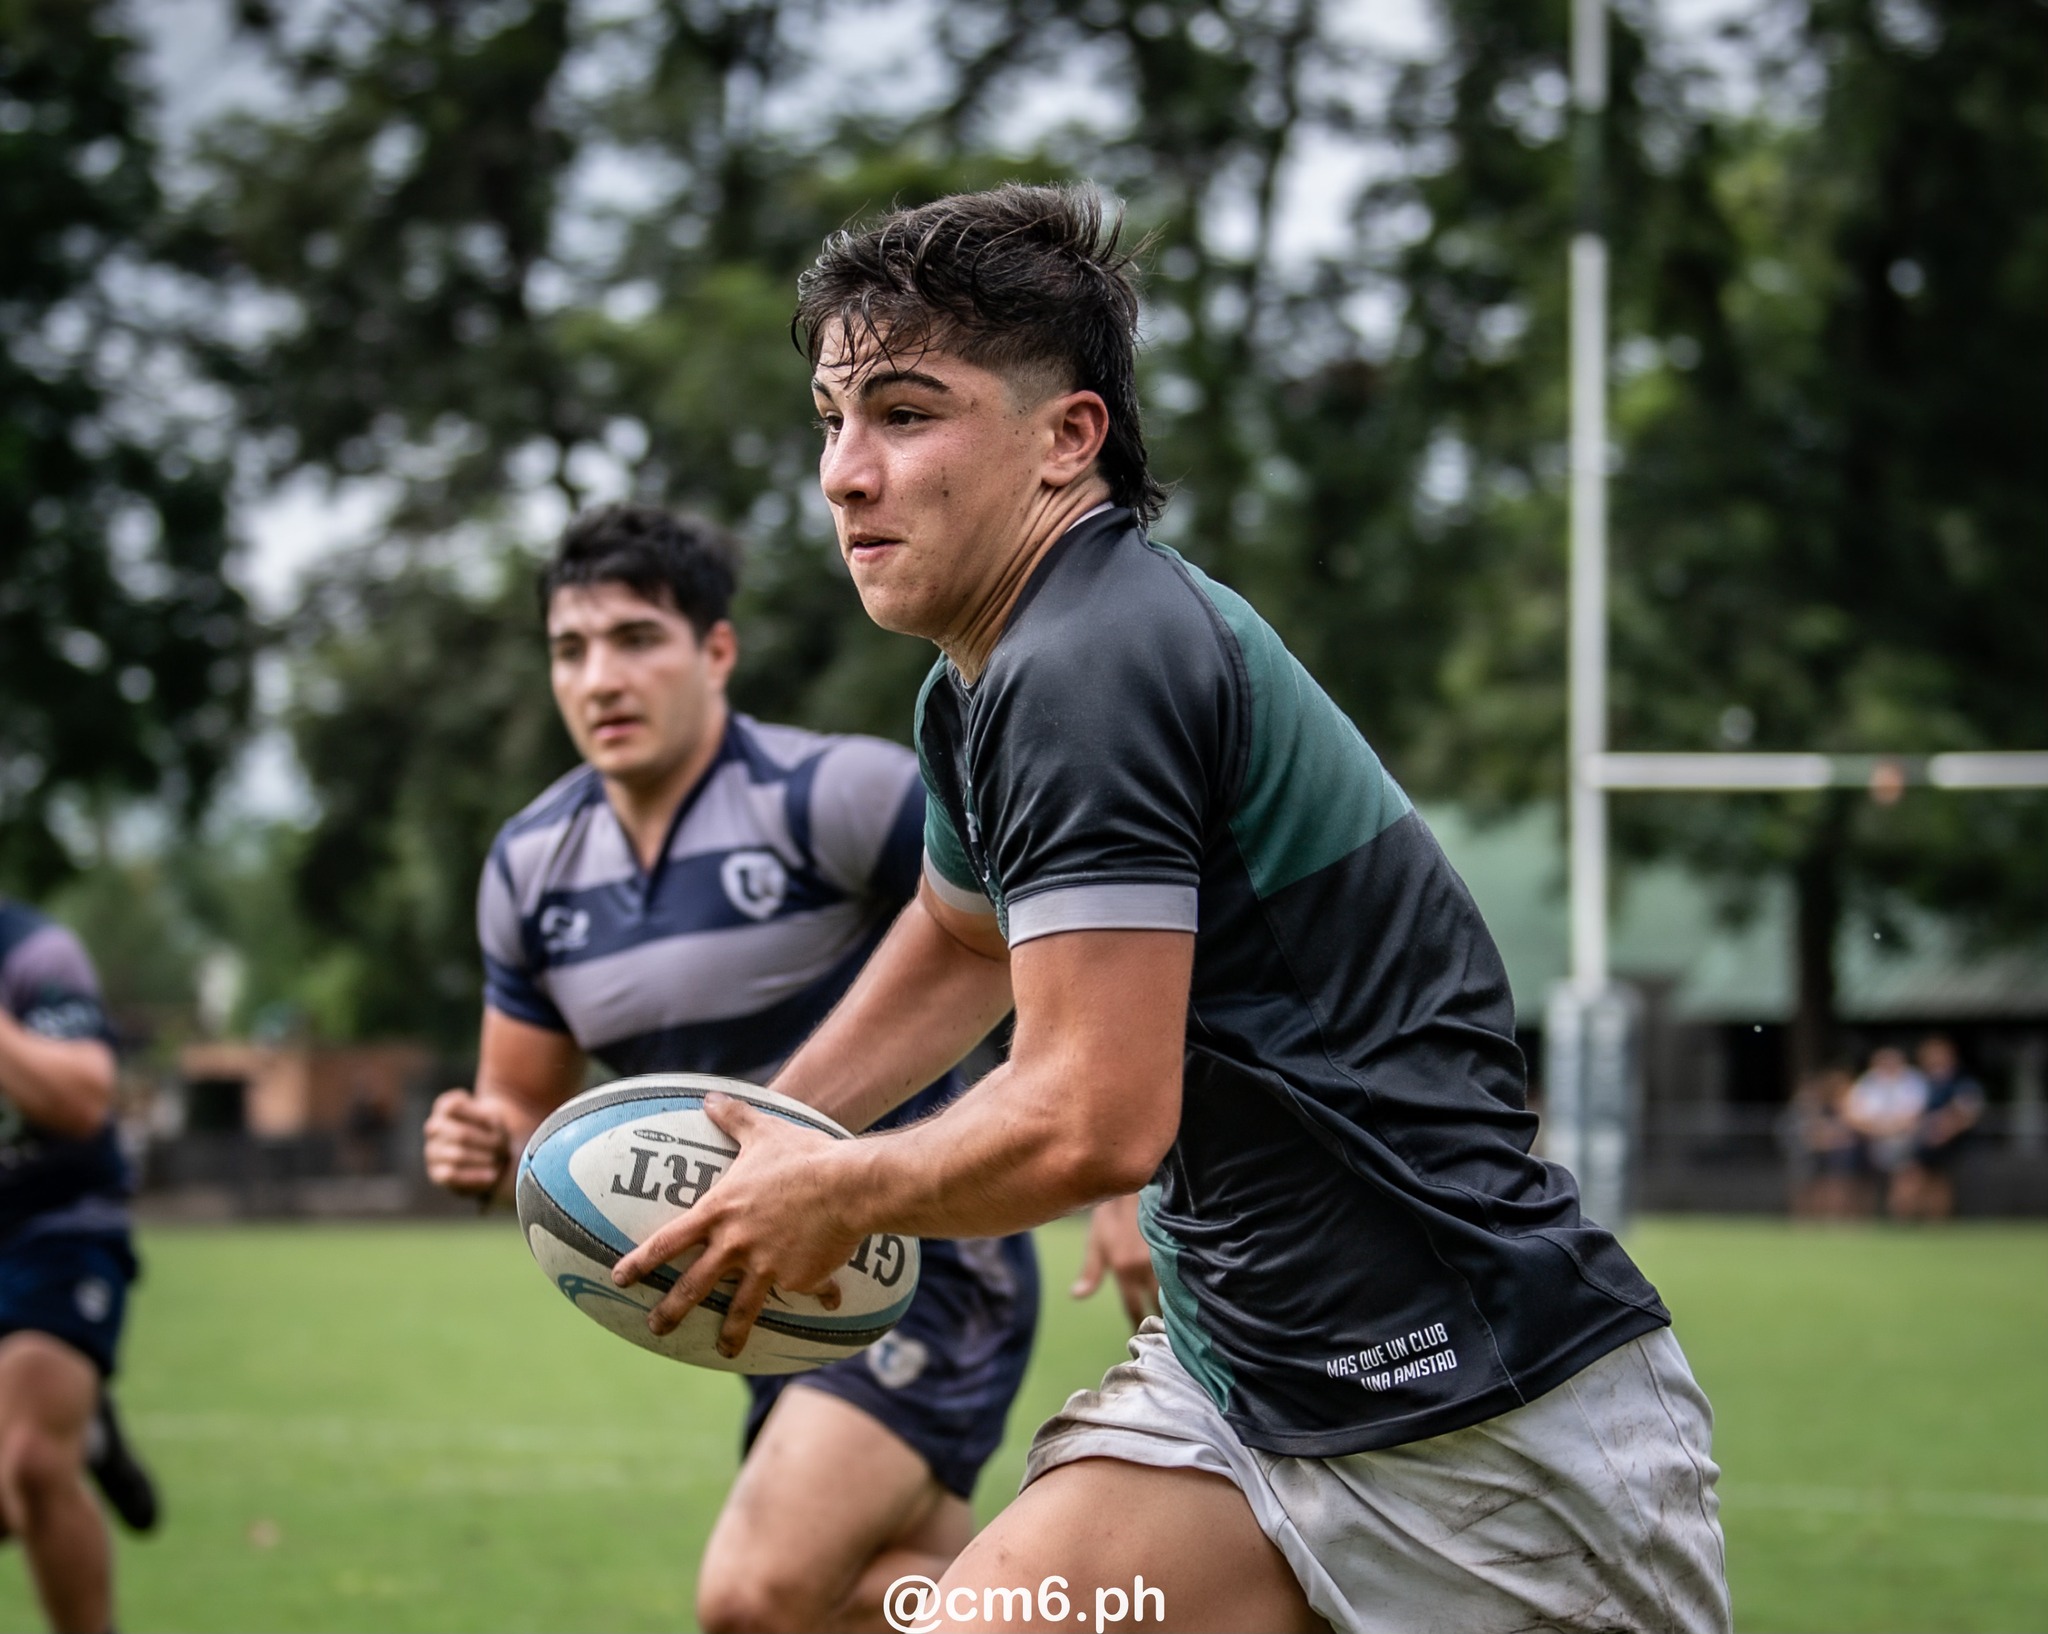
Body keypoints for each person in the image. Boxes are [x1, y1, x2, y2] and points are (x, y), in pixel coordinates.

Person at [611, 184, 1731, 1634]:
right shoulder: (982, 683)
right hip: (1243, 1387)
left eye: (903, 412)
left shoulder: (1094, 657)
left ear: (1069, 438)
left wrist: (832, 1189)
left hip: (1477, 1421)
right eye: (830, 416)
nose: (843, 472)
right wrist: (759, 1133)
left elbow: (1092, 1118)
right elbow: (965, 936)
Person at [421, 506, 1143, 1633]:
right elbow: (523, 1106)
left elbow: (1077, 925)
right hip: (742, 1279)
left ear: (715, 651)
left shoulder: (833, 797)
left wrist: (1130, 1180)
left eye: (635, 638)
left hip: (918, 1254)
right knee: (860, 1598)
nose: (599, 676)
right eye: (571, 649)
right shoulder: (528, 869)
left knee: (753, 1596)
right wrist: (484, 1142)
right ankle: (1108, 1608)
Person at [0, 898, 160, 1633]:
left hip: (52, 1227)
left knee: (28, 1465)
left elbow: (82, 1097)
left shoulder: (37, 954)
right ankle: (83, 1418)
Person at [1895, 1035, 1984, 1220]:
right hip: (1922, 1140)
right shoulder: (1917, 1082)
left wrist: (1945, 1128)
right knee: (1910, 1180)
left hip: (1949, 1143)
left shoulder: (1962, 1082)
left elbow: (1967, 1112)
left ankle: (1935, 1226)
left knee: (1939, 1184)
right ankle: (1905, 1223)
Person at [1844, 1044, 1929, 1215]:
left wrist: (1889, 1129)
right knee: (1858, 1179)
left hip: (1905, 1141)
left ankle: (1904, 1217)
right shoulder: (1867, 1083)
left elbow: (1913, 1116)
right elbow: (1853, 1116)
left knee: (1908, 1177)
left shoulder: (1912, 1081)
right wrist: (1879, 1130)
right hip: (1871, 1141)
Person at [1786, 1065, 1867, 1219]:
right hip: (1822, 1154)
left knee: (1849, 1186)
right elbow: (1813, 1133)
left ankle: (1847, 1217)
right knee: (1822, 1186)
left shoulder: (1853, 1103)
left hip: (1846, 1154)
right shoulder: (1818, 1106)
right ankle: (1815, 1218)